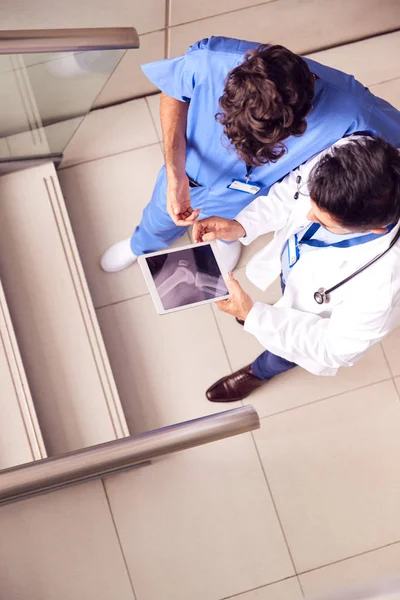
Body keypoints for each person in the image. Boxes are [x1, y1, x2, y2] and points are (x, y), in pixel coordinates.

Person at [100, 37, 400, 274]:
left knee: (233, 227)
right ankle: (141, 245)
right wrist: (175, 171)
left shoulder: (358, 112)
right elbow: (172, 91)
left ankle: (227, 241)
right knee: (158, 216)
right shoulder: (210, 61)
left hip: (258, 196)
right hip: (187, 173)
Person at [190, 135, 400, 402]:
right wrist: (241, 226)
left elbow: (332, 347)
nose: (307, 216)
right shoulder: (349, 153)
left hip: (315, 320)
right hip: (296, 265)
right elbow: (291, 192)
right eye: (313, 205)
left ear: (373, 229)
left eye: (324, 221)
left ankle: (260, 371)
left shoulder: (386, 284)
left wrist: (255, 315)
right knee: (285, 294)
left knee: (283, 353)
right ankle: (268, 311)